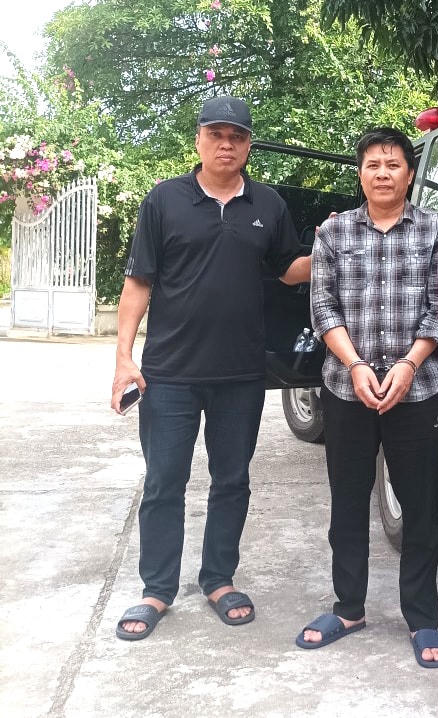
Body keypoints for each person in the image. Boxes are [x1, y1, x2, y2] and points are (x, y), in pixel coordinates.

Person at [111, 96, 311, 640]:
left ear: (248, 145)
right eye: (217, 134)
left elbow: (289, 270)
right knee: (164, 481)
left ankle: (219, 579)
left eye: (237, 136)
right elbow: (139, 282)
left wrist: (337, 245)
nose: (227, 144)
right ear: (199, 139)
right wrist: (124, 357)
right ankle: (156, 589)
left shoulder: (267, 203)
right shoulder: (164, 200)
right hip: (170, 373)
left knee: (232, 480)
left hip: (241, 374)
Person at [296, 127, 438, 668]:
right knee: (347, 502)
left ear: (410, 174)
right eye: (372, 165)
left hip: (419, 390)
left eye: (393, 164)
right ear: (360, 174)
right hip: (348, 390)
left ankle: (422, 617)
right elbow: (323, 307)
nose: (383, 173)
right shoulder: (334, 232)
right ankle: (348, 608)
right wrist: (356, 365)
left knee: (421, 506)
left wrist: (410, 364)